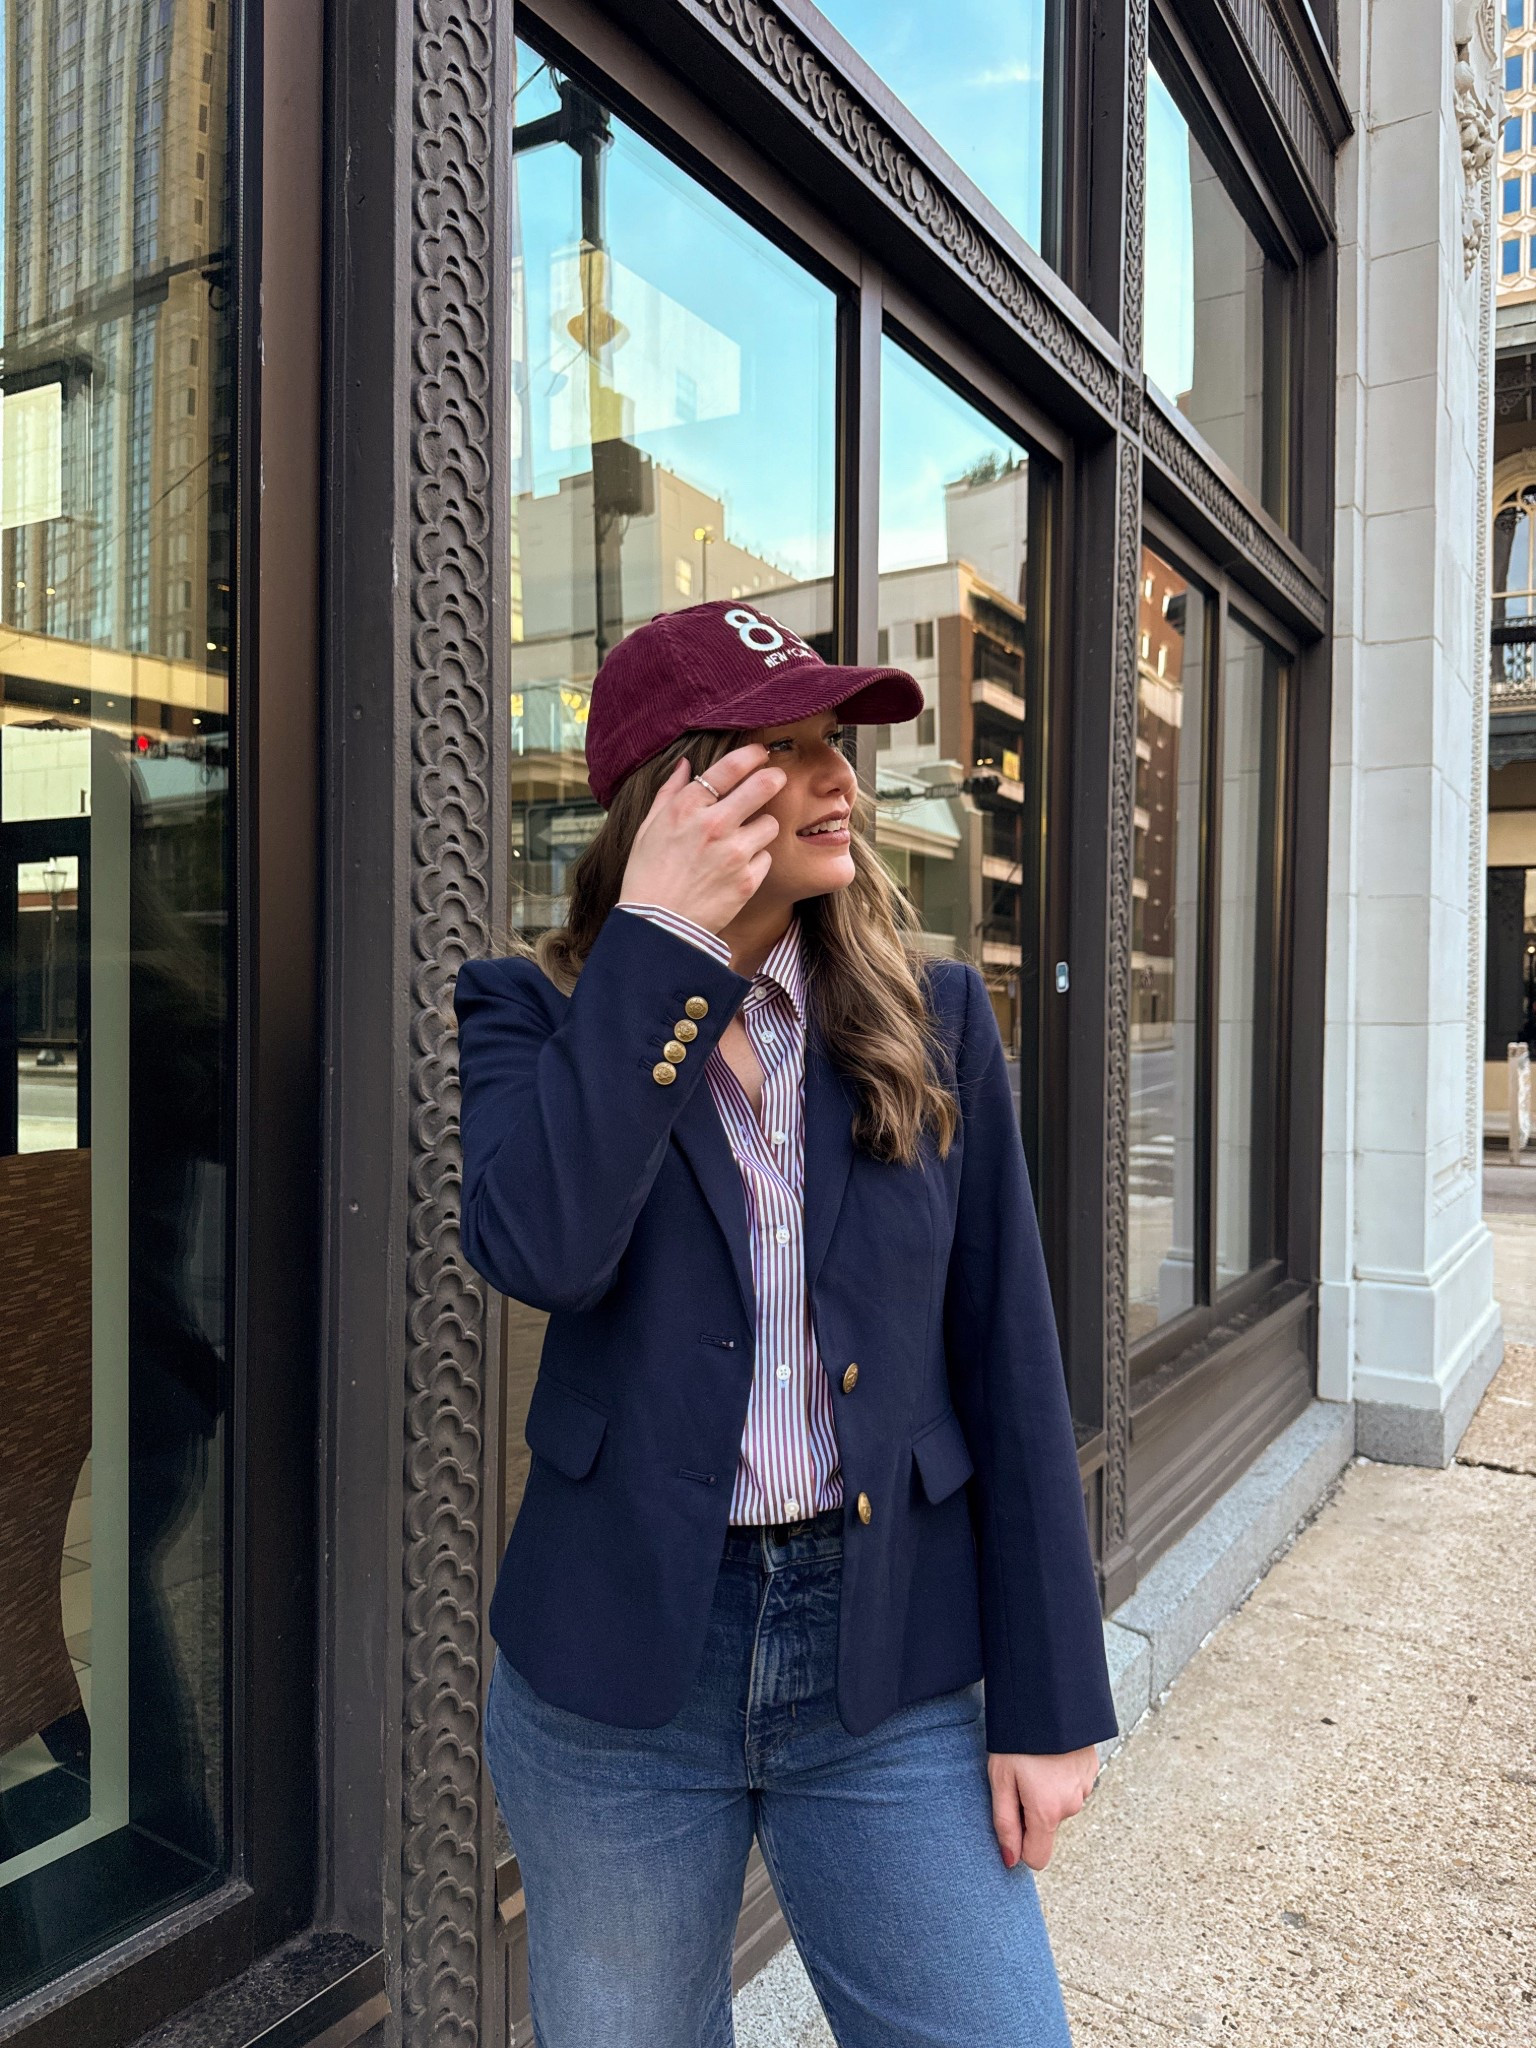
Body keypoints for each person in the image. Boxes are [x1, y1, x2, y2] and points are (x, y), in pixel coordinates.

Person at [454, 598, 1118, 2048]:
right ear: (670, 796)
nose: (844, 782)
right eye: (790, 750)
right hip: (621, 1680)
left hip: (887, 1652)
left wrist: (1052, 1692)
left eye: (841, 746)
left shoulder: (932, 1014)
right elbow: (540, 1249)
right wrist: (665, 944)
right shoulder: (535, 1014)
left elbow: (1010, 1355)